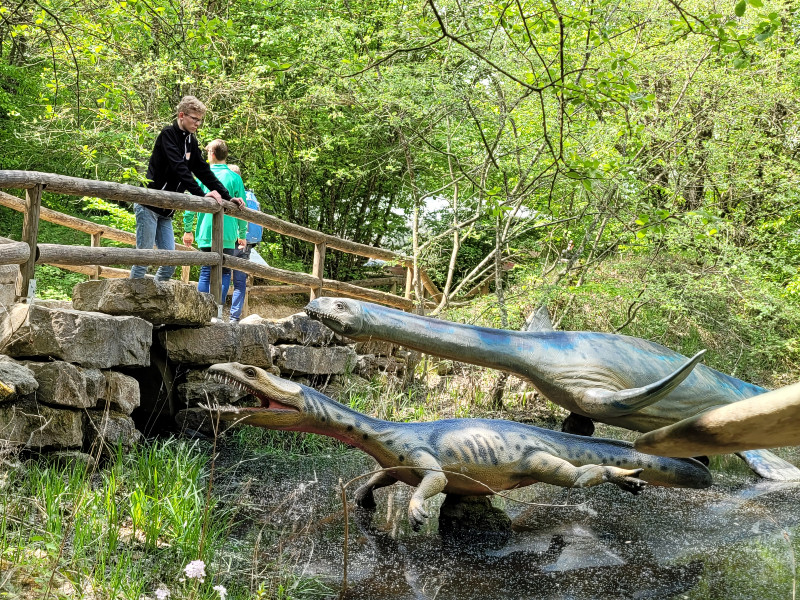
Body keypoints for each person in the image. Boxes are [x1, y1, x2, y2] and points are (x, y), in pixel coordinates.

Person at [130, 95, 243, 281]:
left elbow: (203, 171)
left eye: (200, 120)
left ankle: (153, 301)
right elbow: (179, 168)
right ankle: (130, 299)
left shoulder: (191, 141)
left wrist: (227, 196)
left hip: (167, 211)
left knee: (170, 263)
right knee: (144, 258)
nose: (198, 123)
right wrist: (202, 194)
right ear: (182, 115)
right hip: (148, 206)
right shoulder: (168, 135)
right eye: (194, 119)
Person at [182, 139, 247, 310]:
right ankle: (217, 310)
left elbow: (191, 205)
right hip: (228, 233)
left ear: (211, 154)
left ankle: (202, 310)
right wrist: (242, 234)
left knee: (205, 271)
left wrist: (188, 230)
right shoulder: (235, 178)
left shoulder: (202, 175)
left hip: (206, 231)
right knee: (224, 272)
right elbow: (242, 209)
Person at [228, 164, 262, 323]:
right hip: (248, 243)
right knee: (240, 282)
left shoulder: (229, 194)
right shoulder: (249, 196)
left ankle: (217, 313)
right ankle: (234, 318)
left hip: (231, 240)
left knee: (224, 275)